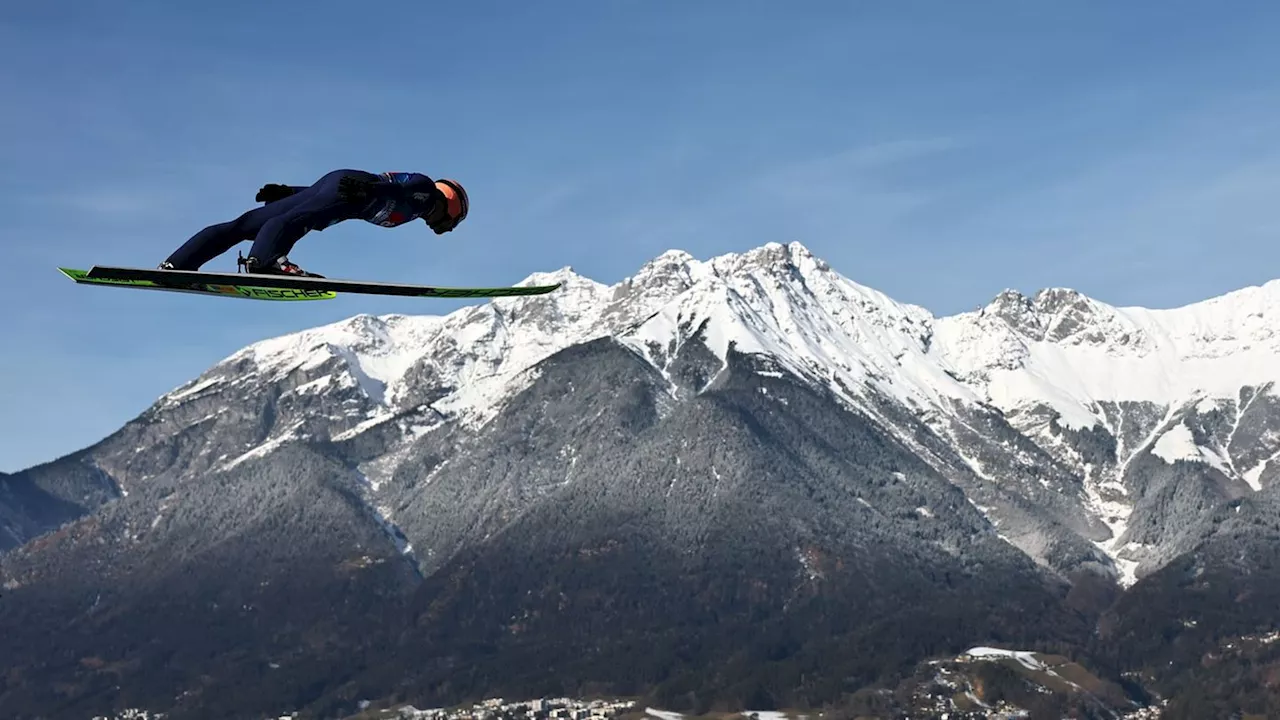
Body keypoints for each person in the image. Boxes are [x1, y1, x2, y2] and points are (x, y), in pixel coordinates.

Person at [159, 169, 469, 277]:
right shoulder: (426, 192)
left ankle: (178, 264)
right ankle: (265, 261)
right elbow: (400, 187)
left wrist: (289, 192)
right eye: (451, 222)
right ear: (452, 203)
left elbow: (323, 196)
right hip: (352, 188)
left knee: (246, 224)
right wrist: (372, 190)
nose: (441, 226)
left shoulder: (417, 207)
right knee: (296, 220)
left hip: (339, 187)